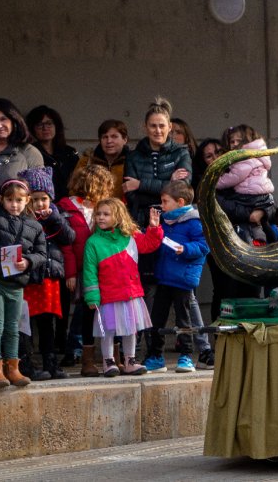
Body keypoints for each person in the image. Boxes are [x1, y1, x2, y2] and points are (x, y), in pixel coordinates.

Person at [0, 179, 47, 389]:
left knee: (13, 327)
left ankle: (13, 368)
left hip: (17, 283)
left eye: (19, 200)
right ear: (1, 200)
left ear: (27, 201)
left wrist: (28, 262)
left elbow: (42, 253)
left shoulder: (34, 226)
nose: (14, 204)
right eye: (10, 200)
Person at [82, 198, 162, 376]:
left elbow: (149, 244)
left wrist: (154, 228)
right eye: (98, 214)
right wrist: (92, 296)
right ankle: (108, 361)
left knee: (130, 329)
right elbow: (89, 272)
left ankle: (130, 360)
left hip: (130, 293)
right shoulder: (93, 242)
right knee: (108, 330)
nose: (101, 217)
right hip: (108, 295)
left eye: (106, 214)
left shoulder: (130, 235)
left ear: (118, 216)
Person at [144, 180, 209, 374]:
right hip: (164, 277)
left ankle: (186, 356)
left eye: (165, 202)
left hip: (183, 279)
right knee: (157, 319)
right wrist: (153, 228)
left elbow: (204, 246)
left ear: (180, 202)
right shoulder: (165, 222)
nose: (162, 206)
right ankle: (155, 356)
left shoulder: (194, 222)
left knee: (184, 319)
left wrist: (186, 248)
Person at [17, 167, 73, 380]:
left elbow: (69, 237)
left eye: (44, 199)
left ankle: (51, 364)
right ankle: (26, 363)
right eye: (35, 199)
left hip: (49, 277)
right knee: (25, 323)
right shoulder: (21, 218)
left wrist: (54, 219)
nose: (40, 204)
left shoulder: (55, 216)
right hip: (28, 277)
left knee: (47, 322)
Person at [58, 165, 113, 376]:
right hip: (81, 269)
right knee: (84, 308)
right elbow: (67, 244)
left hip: (104, 269)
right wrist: (70, 273)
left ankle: (107, 355)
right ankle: (75, 349)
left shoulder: (104, 208)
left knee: (97, 309)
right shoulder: (67, 207)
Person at [124, 98, 192, 230]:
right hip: (142, 221)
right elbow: (132, 197)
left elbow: (182, 189)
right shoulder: (133, 156)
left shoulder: (181, 153)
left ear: (170, 127)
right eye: (153, 126)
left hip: (175, 221)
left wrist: (140, 184)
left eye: (162, 126)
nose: (158, 130)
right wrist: (169, 183)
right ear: (145, 127)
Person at [216, 124, 275, 243]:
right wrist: (252, 213)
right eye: (232, 141)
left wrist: (217, 182)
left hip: (250, 197)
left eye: (238, 141)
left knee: (253, 233)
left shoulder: (244, 158)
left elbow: (235, 176)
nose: (235, 144)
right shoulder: (257, 156)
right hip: (261, 196)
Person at [26, 106, 79, 204]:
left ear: (56, 126)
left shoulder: (69, 152)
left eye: (49, 123)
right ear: (32, 129)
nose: (45, 128)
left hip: (70, 205)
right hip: (43, 206)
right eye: (39, 125)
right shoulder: (29, 154)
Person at [73, 119, 130, 199]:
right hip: (92, 210)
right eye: (105, 137)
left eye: (114, 136)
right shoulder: (87, 162)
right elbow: (73, 191)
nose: (109, 141)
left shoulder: (133, 163)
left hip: (123, 210)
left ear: (125, 139)